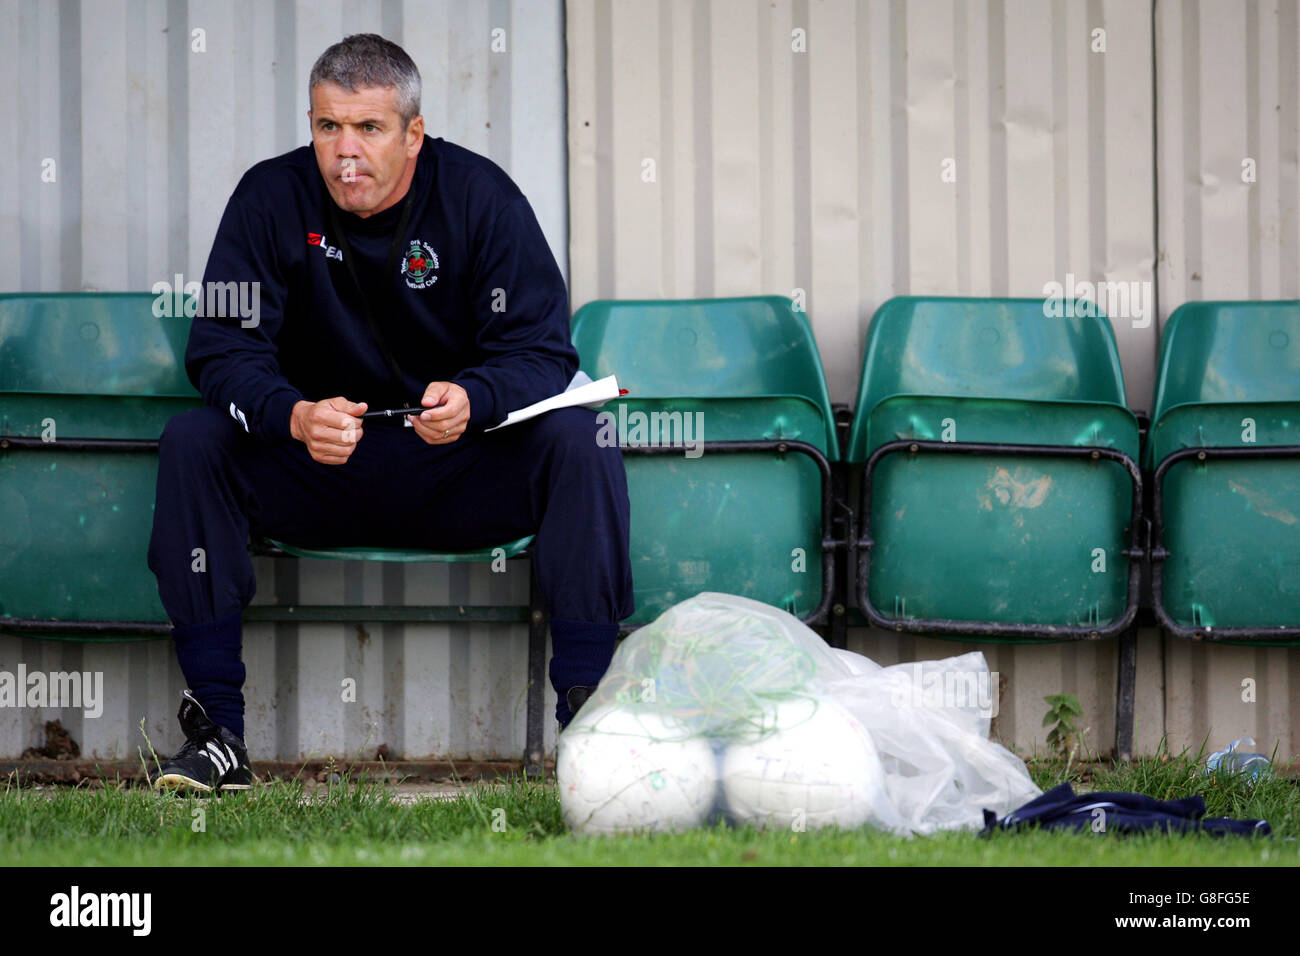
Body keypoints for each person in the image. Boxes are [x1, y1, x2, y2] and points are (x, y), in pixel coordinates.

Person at [146, 33, 633, 792]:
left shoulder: (480, 197)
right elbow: (219, 351)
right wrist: (294, 415)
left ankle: (590, 721)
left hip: (456, 470)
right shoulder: (269, 198)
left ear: (414, 133)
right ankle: (218, 735)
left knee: (584, 431)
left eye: (369, 129)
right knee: (194, 439)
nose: (346, 152)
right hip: (319, 469)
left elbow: (543, 353)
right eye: (327, 127)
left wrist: (476, 399)